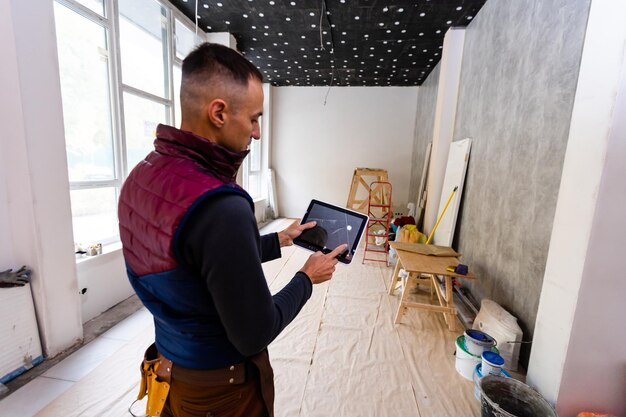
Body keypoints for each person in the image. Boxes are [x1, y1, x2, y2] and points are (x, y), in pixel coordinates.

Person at [118, 42, 346, 417]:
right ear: (219, 113)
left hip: (171, 370)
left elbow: (194, 263)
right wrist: (307, 277)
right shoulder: (222, 206)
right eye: (254, 119)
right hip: (219, 391)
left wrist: (279, 239)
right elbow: (255, 332)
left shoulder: (141, 177)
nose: (257, 133)